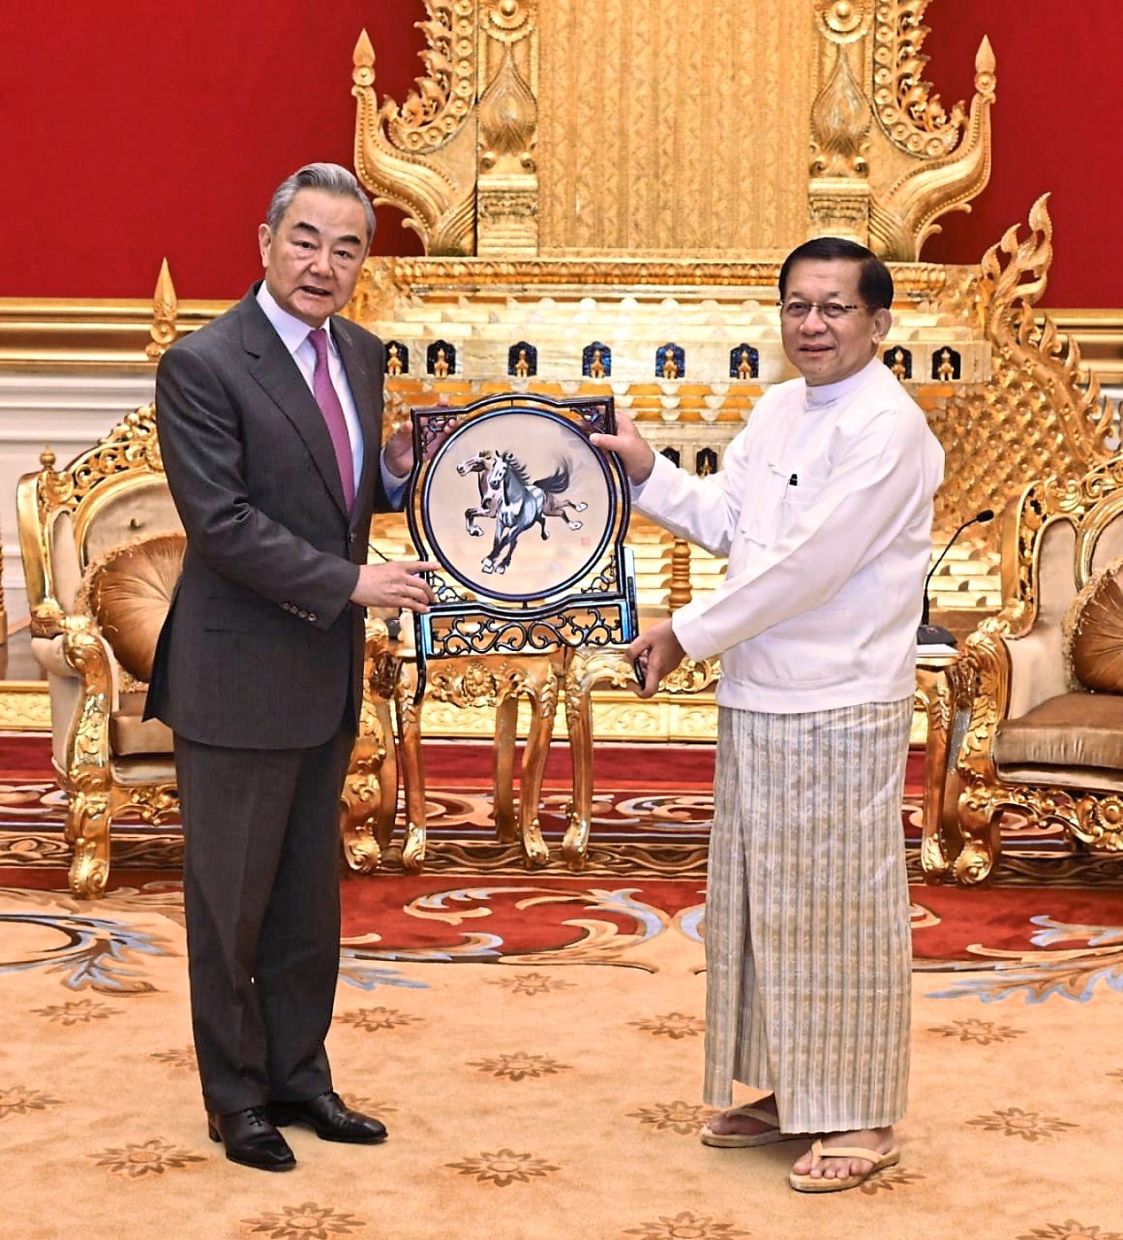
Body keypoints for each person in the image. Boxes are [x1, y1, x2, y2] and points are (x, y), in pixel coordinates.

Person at [592, 237, 944, 1193]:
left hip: (838, 698)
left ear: (879, 322)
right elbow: (730, 522)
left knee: (839, 913)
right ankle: (797, 1092)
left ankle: (861, 1116)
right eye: (797, 306)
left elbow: (811, 567)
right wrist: (641, 472)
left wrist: (683, 631)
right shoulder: (782, 408)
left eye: (834, 308)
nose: (813, 325)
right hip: (760, 692)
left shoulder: (888, 428)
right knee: (767, 909)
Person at [146, 162, 438, 1172]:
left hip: (322, 673)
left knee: (310, 900)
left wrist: (408, 475)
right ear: (265, 239)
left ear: (364, 263)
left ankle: (300, 1076)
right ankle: (236, 1099)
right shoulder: (204, 362)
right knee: (230, 905)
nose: (324, 263)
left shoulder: (359, 352)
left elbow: (337, 493)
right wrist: (356, 584)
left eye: (347, 247)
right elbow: (222, 525)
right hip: (236, 678)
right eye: (306, 239)